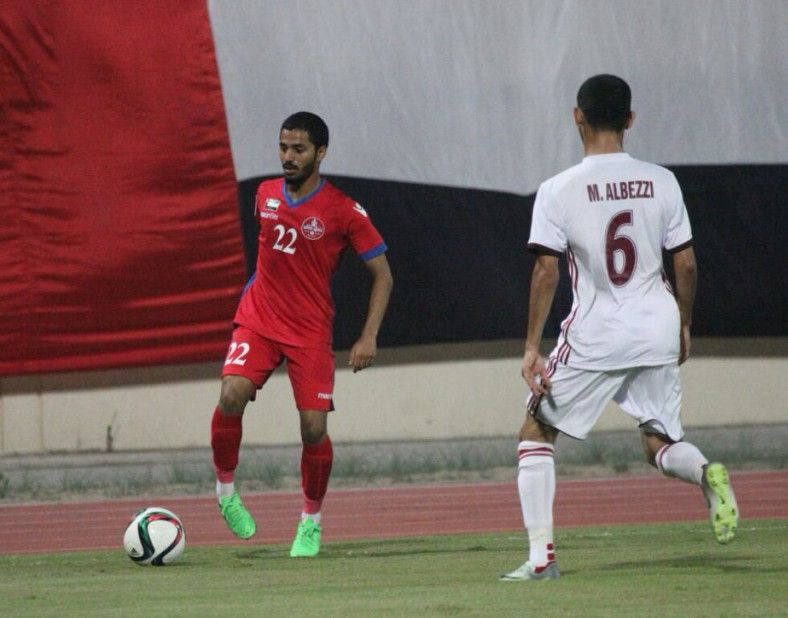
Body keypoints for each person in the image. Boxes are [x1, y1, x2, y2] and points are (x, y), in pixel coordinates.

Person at [500, 75, 738, 581]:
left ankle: (541, 560)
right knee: (658, 442)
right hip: (657, 326)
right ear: (630, 119)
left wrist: (530, 347)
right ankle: (705, 473)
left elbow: (546, 271)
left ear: (577, 116)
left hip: (598, 331)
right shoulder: (663, 181)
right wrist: (684, 323)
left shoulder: (558, 189)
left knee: (535, 433)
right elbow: (687, 264)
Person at [210, 111, 393, 557]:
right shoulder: (264, 195)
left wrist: (368, 336)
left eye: (299, 149)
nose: (288, 157)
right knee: (231, 394)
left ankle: (310, 522)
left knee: (313, 429)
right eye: (283, 147)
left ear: (320, 153)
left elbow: (383, 275)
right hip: (259, 318)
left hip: (309, 329)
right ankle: (226, 492)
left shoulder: (344, 211)